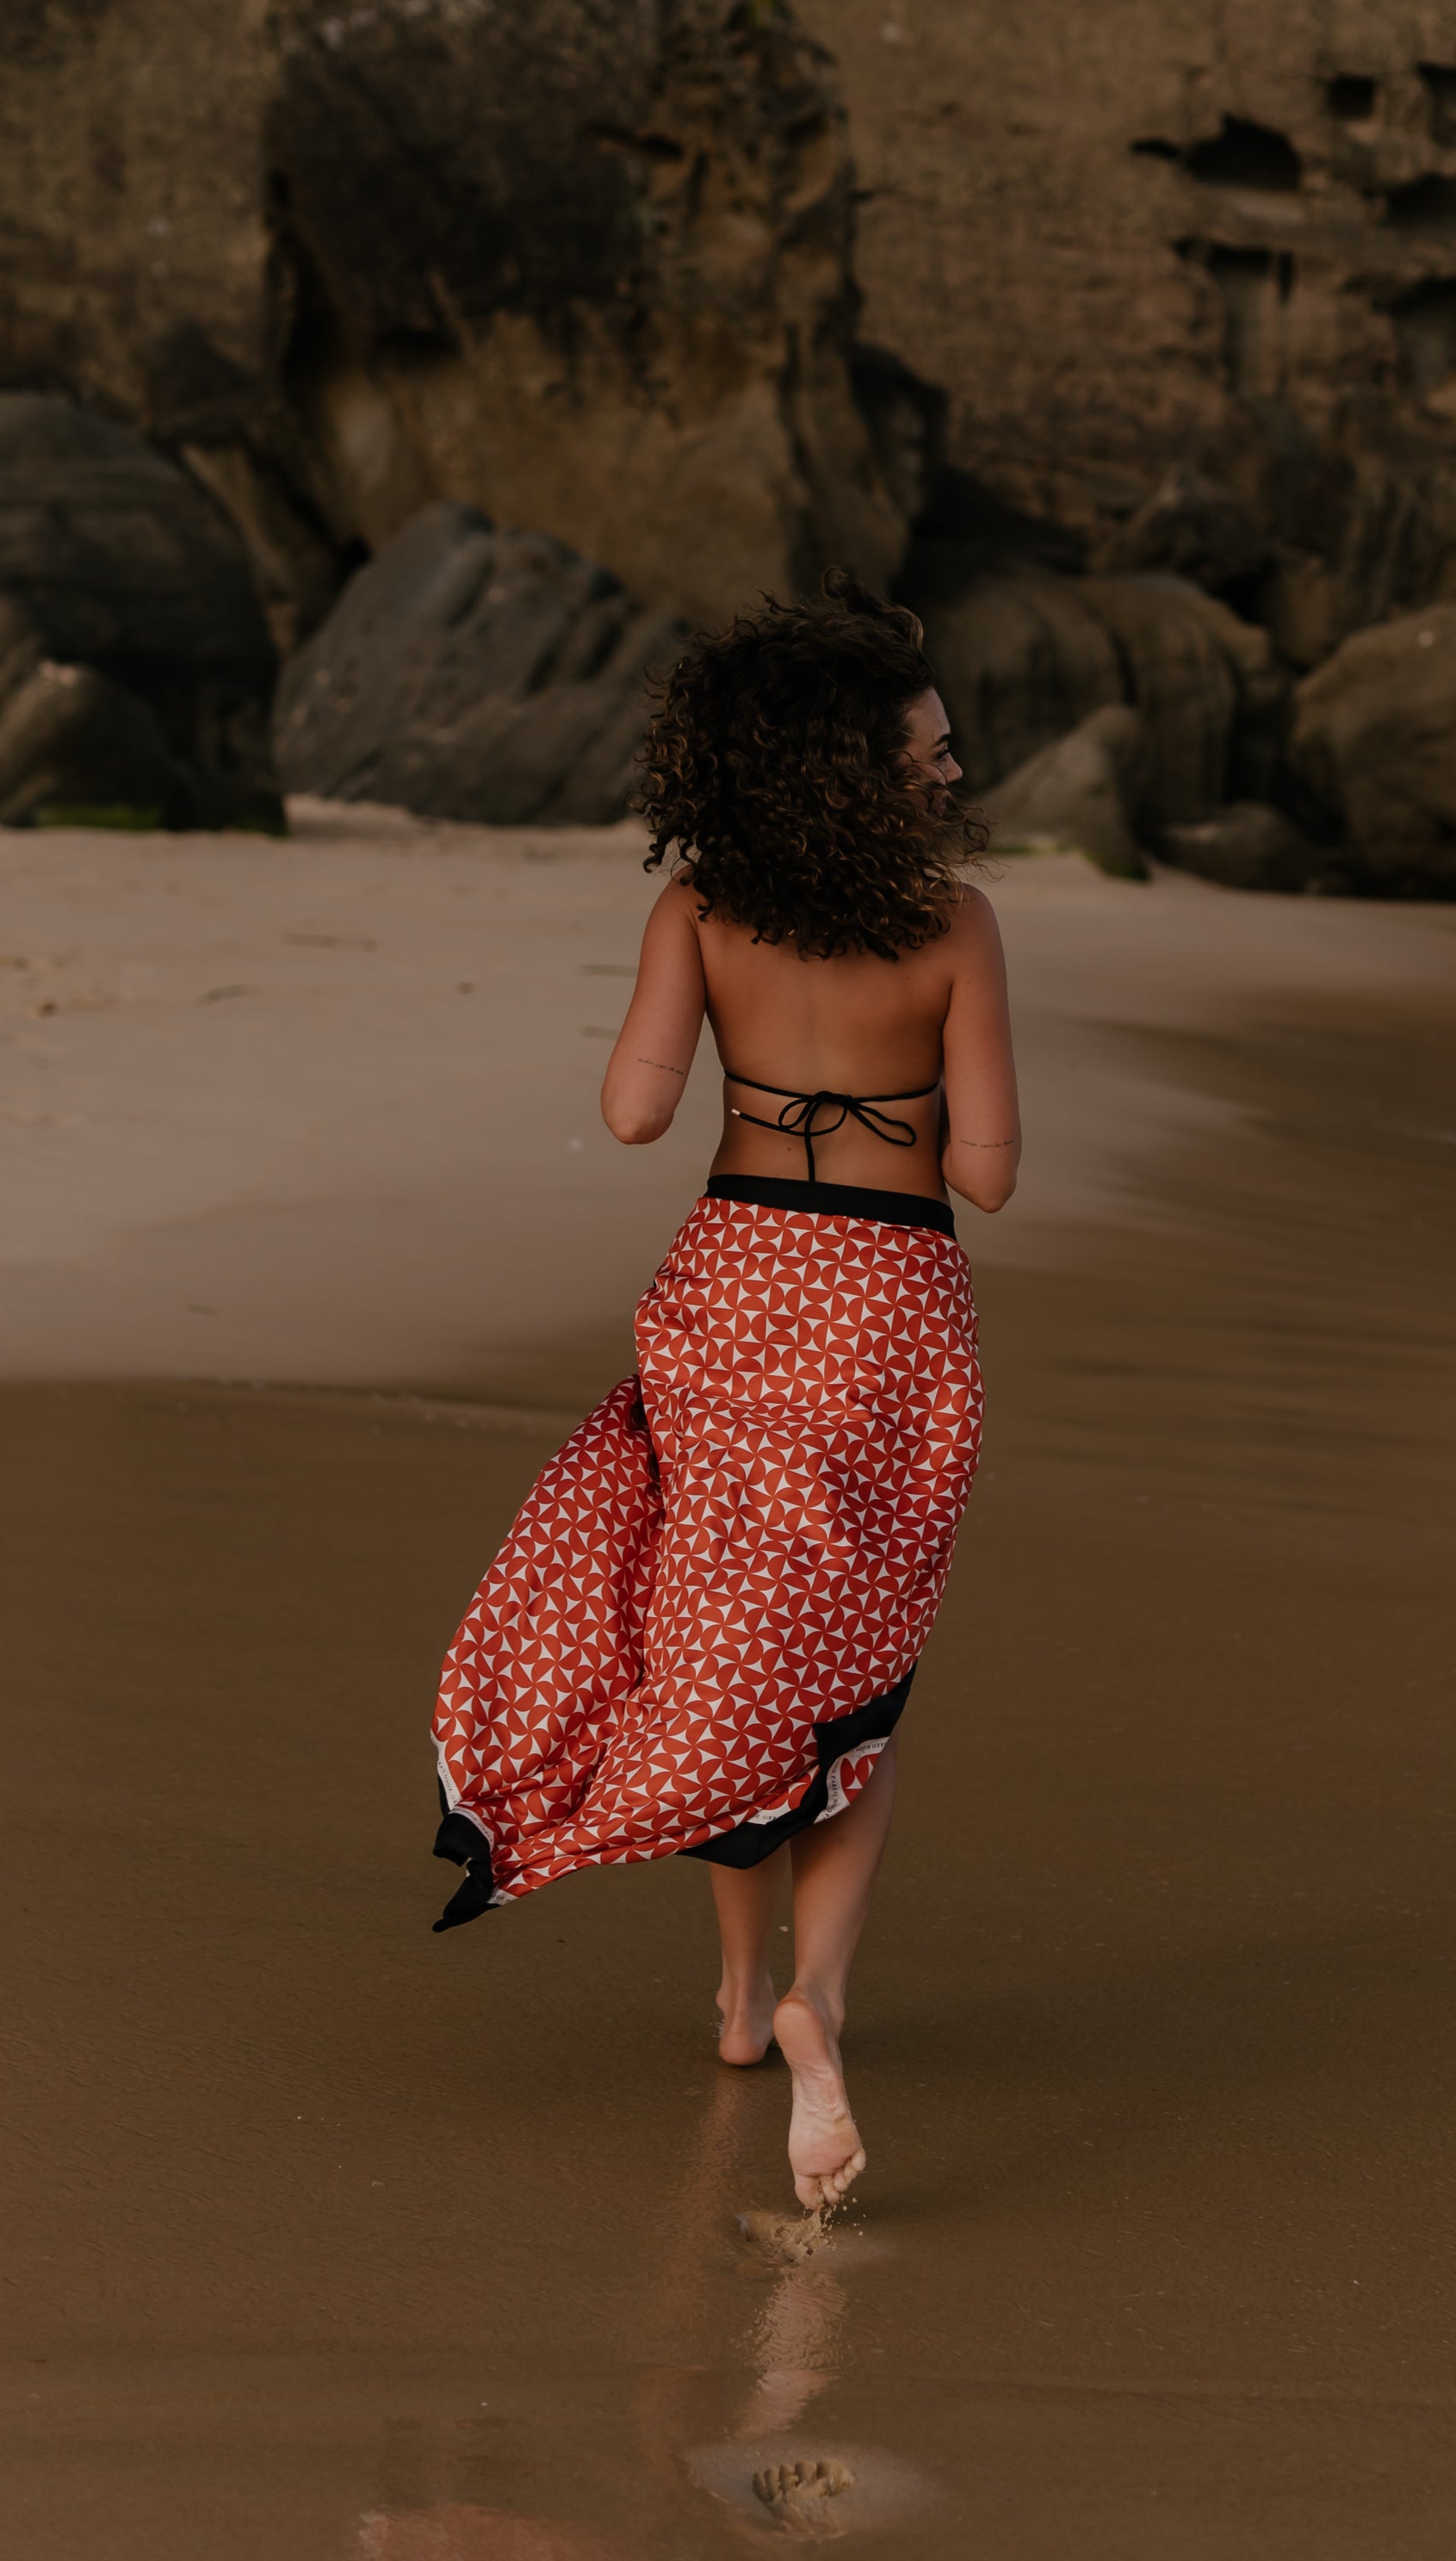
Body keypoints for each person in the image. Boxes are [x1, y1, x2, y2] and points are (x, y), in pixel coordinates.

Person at [428, 578, 1020, 2211]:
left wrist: (719, 1066)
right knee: (851, 1679)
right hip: (893, 1308)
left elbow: (632, 1116)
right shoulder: (957, 926)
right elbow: (994, 1171)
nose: (955, 769)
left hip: (741, 1282)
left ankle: (741, 2005)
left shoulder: (698, 910)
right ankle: (820, 1998)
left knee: (728, 1643)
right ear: (858, 769)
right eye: (933, 748)